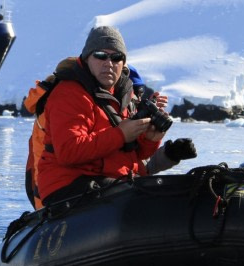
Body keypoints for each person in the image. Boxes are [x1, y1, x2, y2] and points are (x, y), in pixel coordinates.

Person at [35, 26, 197, 206]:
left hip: (110, 183)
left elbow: (132, 154)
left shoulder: (122, 95)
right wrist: (121, 134)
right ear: (87, 58)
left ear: (123, 63)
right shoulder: (69, 93)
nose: (108, 63)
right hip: (69, 185)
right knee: (147, 200)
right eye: (100, 55)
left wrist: (150, 140)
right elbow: (69, 151)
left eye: (116, 57)